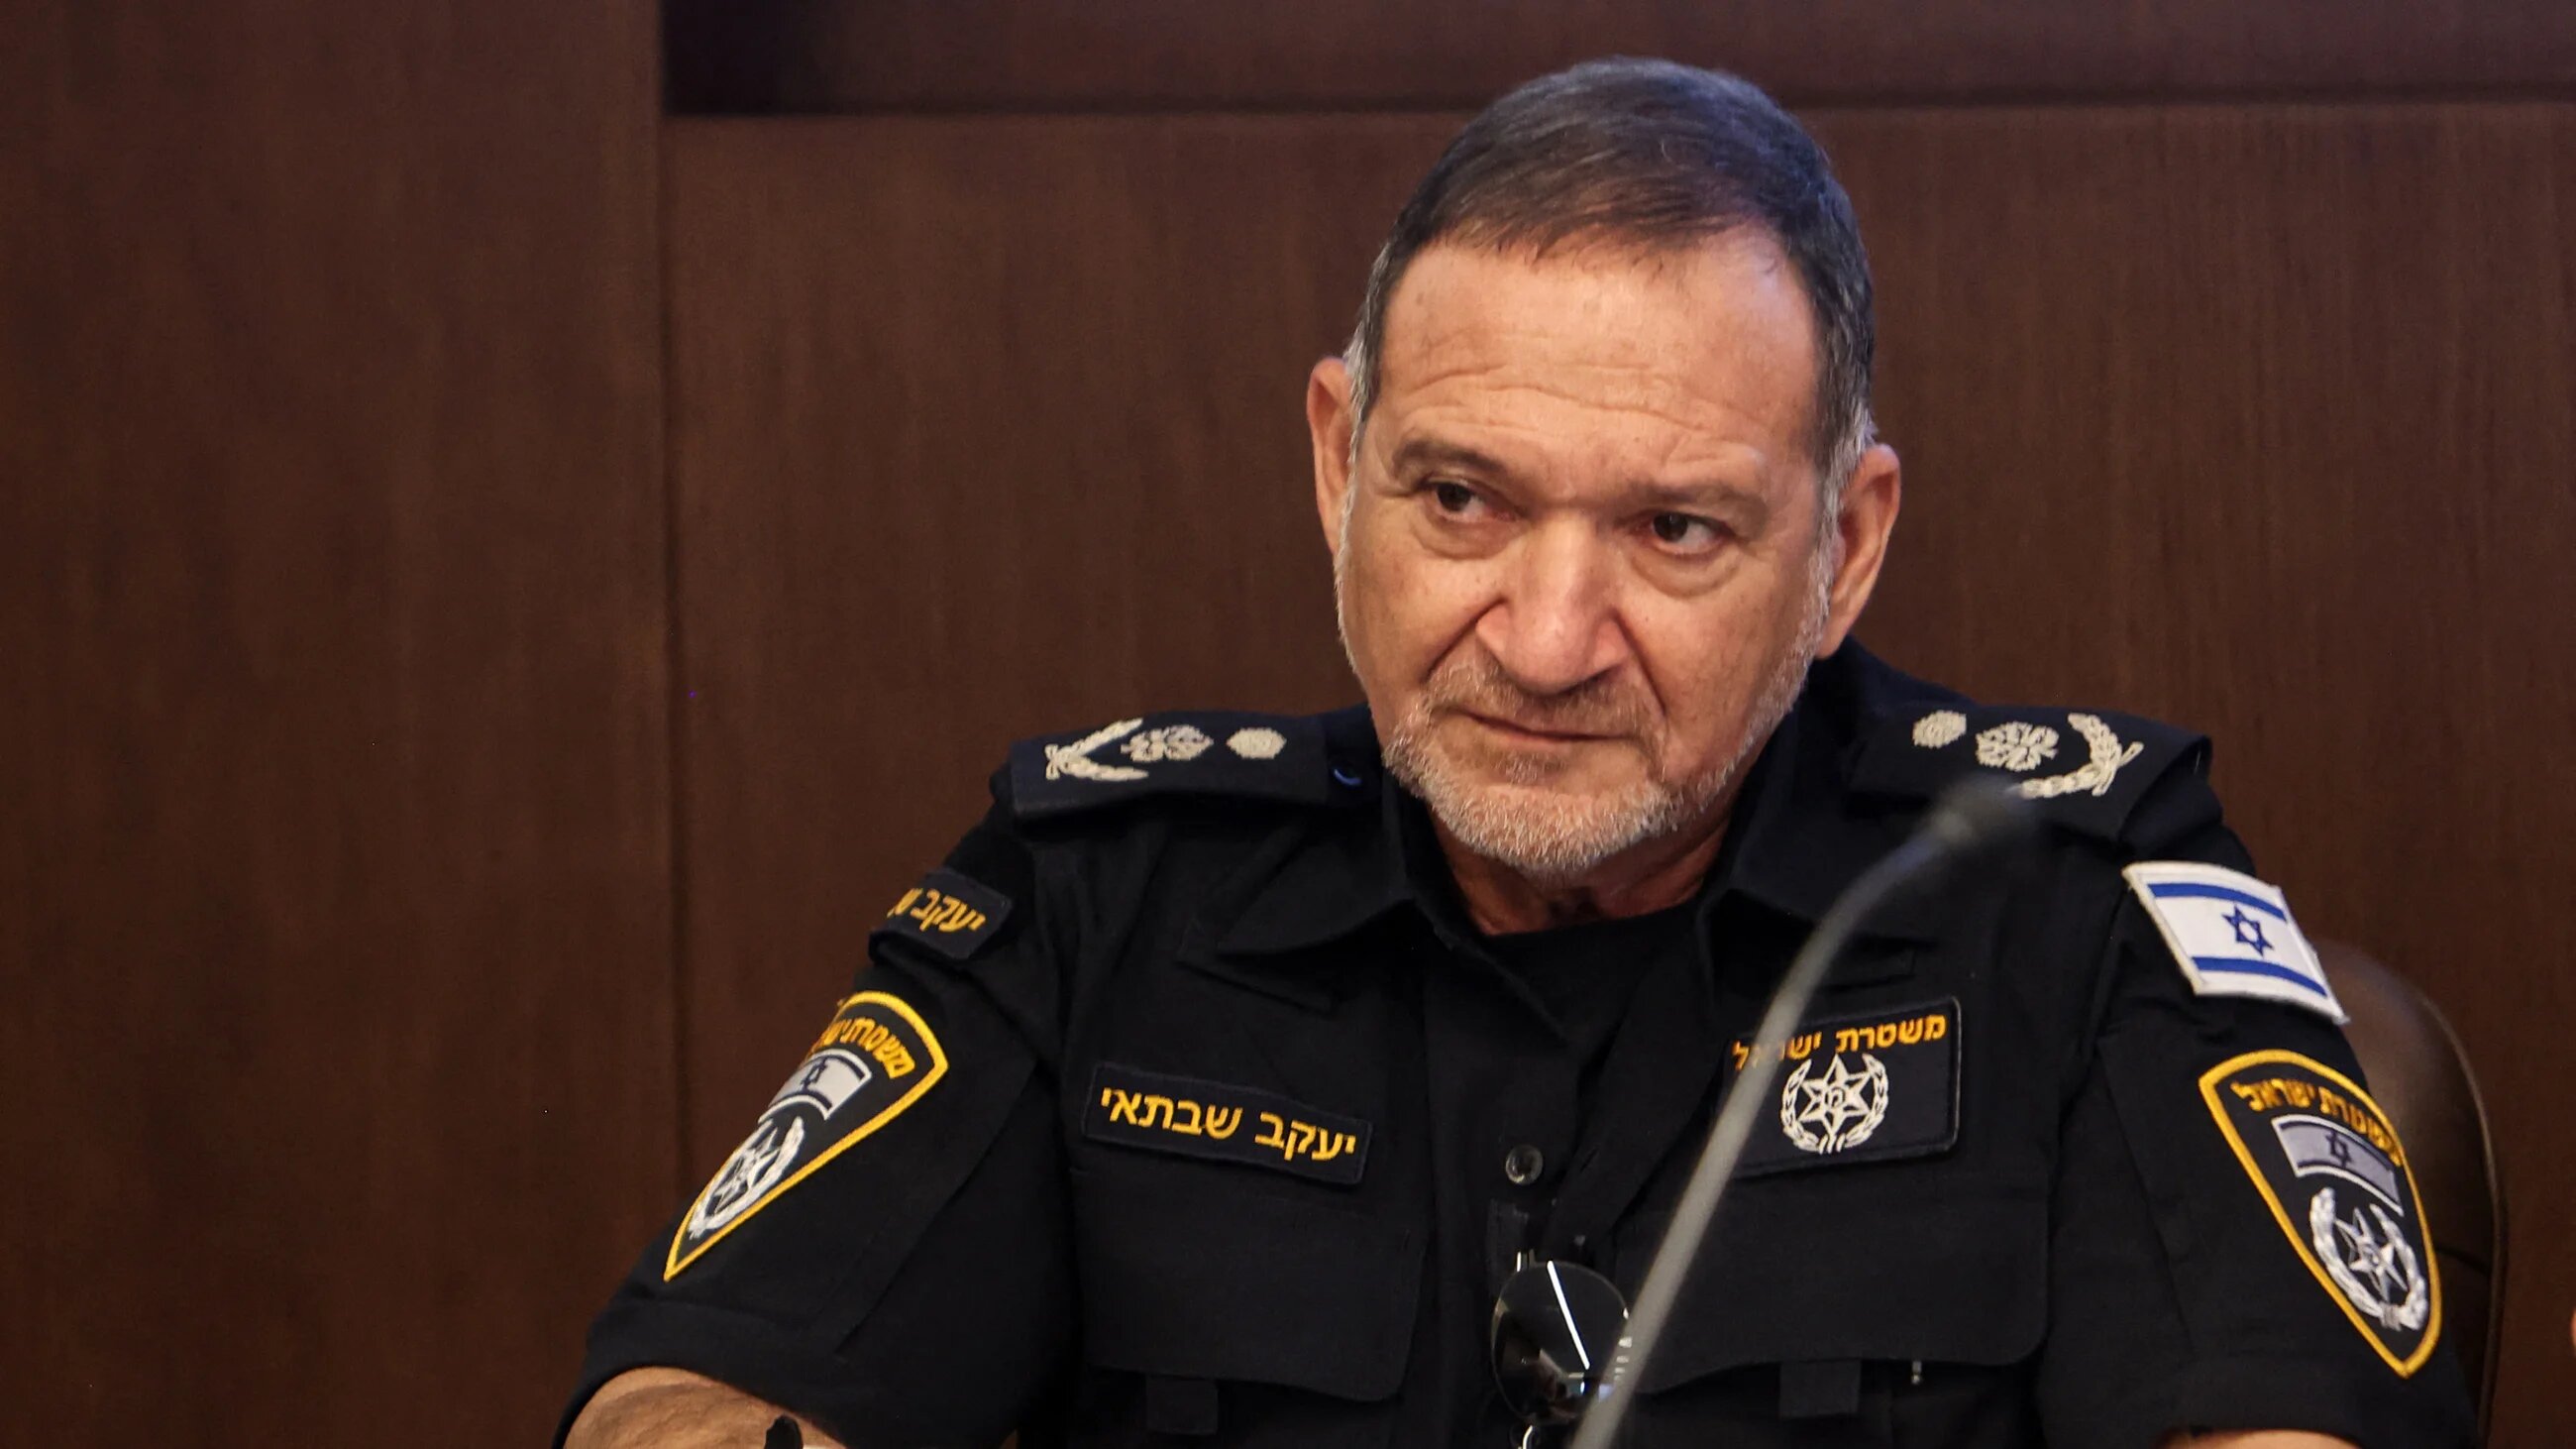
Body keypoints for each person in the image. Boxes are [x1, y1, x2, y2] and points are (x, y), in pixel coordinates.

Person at [559, 58, 2476, 1449]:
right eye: (1461, 499)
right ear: (1337, 464)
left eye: (1675, 532)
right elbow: (689, 1386)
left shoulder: (2081, 892)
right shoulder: (1095, 890)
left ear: (1847, 542)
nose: (1547, 643)